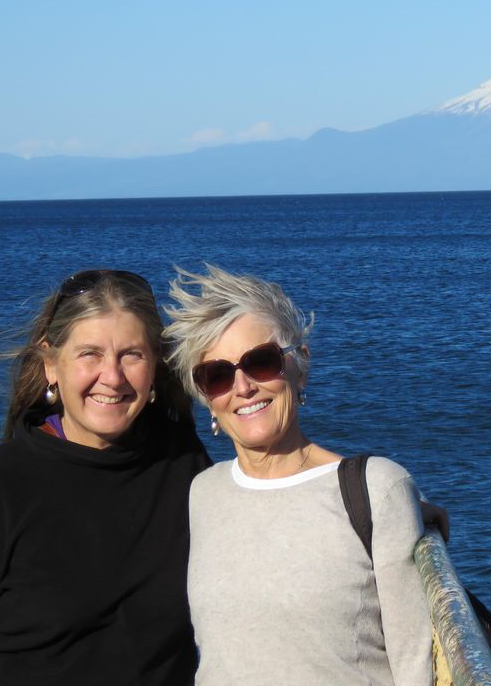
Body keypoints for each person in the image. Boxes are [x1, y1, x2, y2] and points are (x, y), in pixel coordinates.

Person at [0, 270, 210, 686]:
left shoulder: (185, 466)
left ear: (155, 365)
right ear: (51, 363)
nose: (112, 376)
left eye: (131, 354)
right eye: (89, 354)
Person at [164, 265, 433, 686]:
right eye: (217, 375)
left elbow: (417, 663)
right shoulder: (205, 492)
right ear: (206, 399)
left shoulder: (376, 488)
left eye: (261, 362)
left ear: (299, 366)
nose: (243, 386)